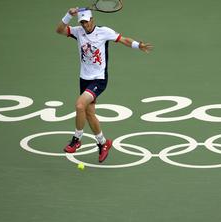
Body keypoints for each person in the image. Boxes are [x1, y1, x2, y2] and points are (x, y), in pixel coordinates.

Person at [56, 7, 153, 163]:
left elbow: (123, 40)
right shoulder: (78, 31)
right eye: (82, 23)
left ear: (92, 20)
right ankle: (103, 143)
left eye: (87, 22)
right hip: (84, 78)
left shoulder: (104, 32)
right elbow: (59, 30)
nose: (85, 25)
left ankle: (77, 139)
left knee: (80, 105)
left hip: (99, 79)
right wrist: (68, 14)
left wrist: (138, 45)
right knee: (89, 114)